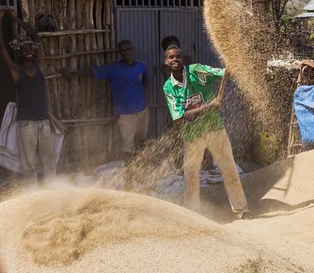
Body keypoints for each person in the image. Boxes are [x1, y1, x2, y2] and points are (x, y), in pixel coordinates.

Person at [163, 45, 250, 219]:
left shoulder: (197, 71)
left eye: (178, 56)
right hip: (192, 137)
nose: (175, 60)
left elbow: (224, 74)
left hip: (215, 130)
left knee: (229, 170)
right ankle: (193, 215)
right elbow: (181, 117)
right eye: (171, 57)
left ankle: (242, 210)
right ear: (166, 61)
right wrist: (209, 106)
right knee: (191, 176)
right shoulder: (168, 88)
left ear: (183, 59)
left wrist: (231, 64)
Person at [61, 40, 148, 154]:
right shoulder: (114, 67)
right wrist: (72, 73)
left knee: (142, 142)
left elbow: (146, 81)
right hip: (126, 114)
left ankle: (142, 169)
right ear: (119, 52)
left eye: (128, 49)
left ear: (133, 49)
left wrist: (142, 97)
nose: (126, 52)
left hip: (143, 111)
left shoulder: (142, 66)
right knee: (128, 148)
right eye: (123, 50)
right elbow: (92, 71)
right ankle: (130, 170)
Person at [0, 10, 55, 184]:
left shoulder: (39, 65)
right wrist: (1, 21)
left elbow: (36, 36)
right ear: (19, 53)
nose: (28, 51)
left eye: (30, 48)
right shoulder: (16, 70)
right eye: (24, 49)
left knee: (49, 161)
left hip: (43, 121)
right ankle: (32, 194)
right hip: (26, 123)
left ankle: (53, 190)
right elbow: (2, 48)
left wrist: (15, 18)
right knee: (29, 164)